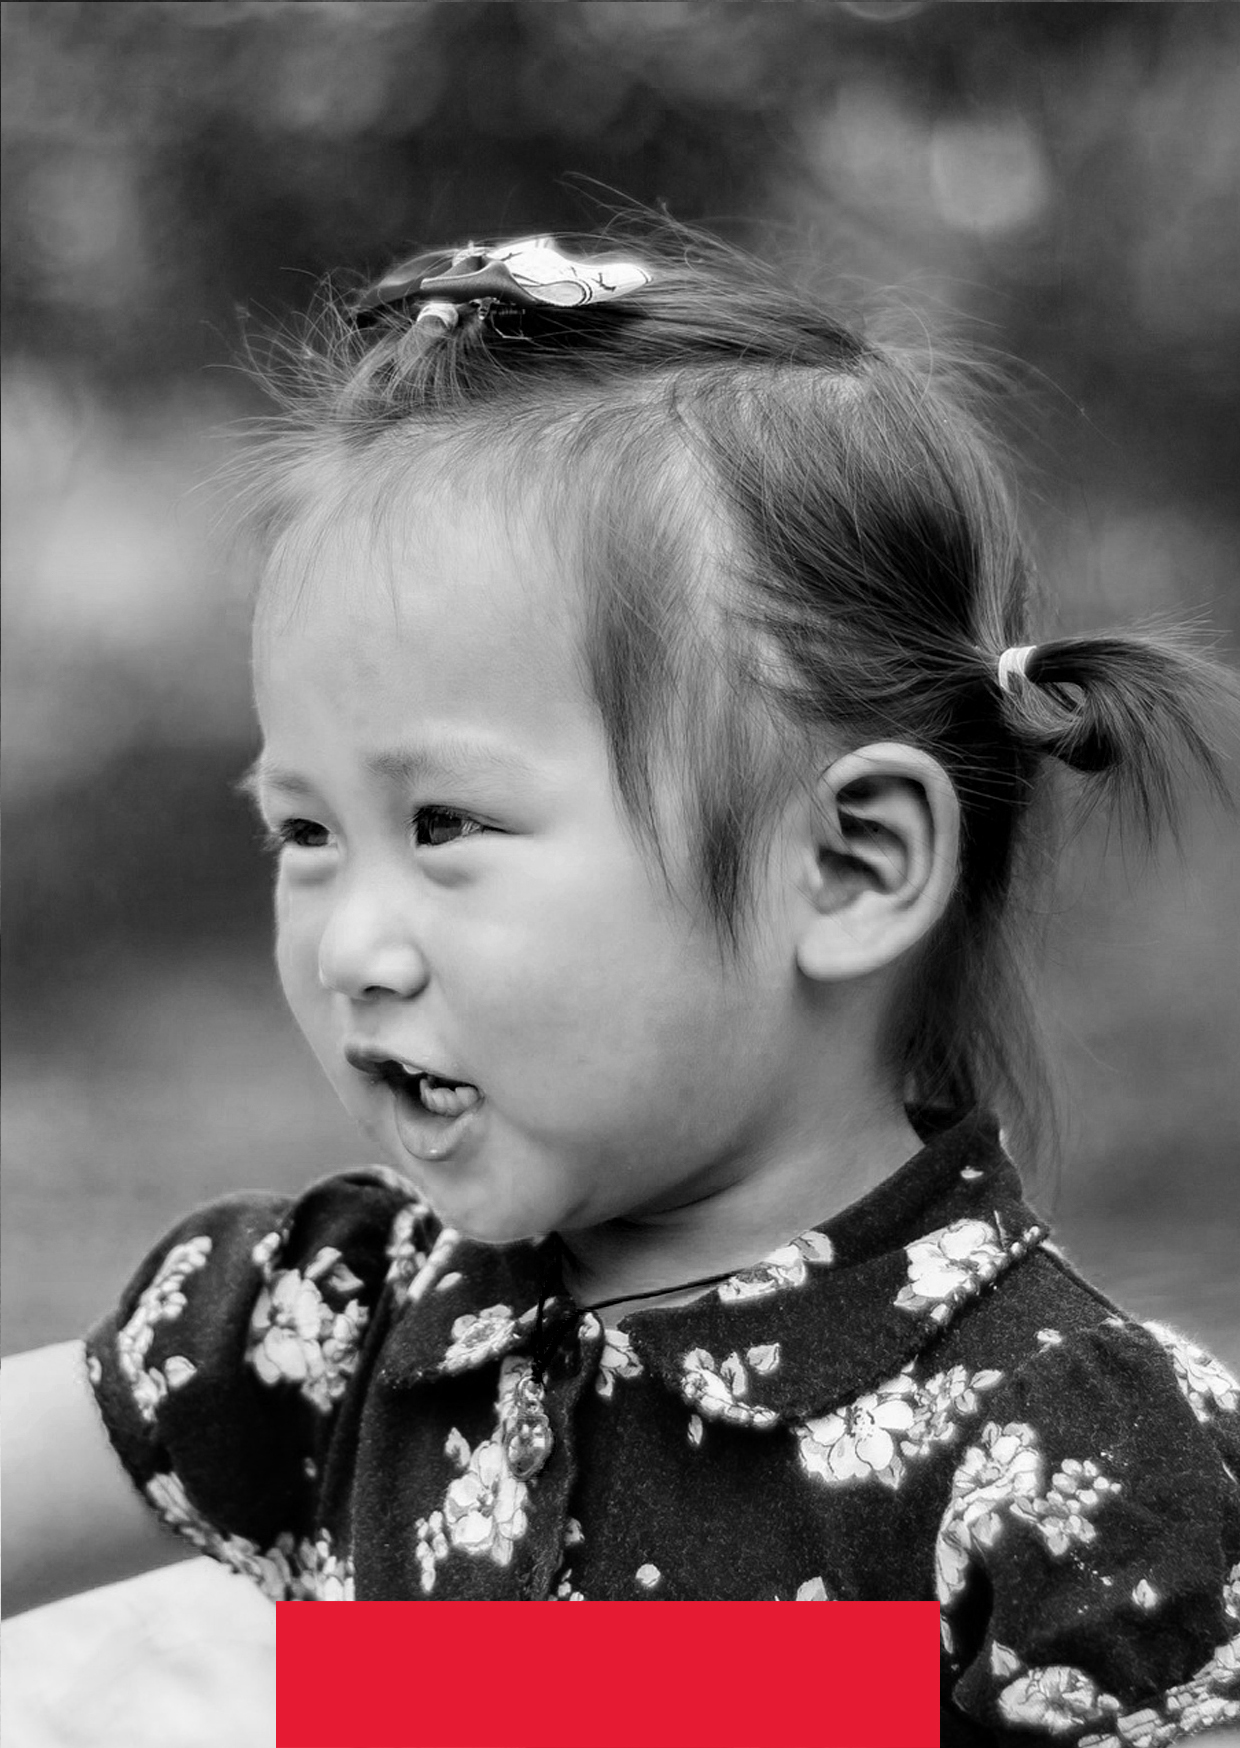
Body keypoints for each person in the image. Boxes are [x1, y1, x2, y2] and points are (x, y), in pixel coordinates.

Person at [3, 228, 1238, 1742]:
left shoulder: (1071, 1465)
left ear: (848, 863)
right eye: (305, 833)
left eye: (444, 825)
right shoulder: (332, 1324)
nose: (349, 948)